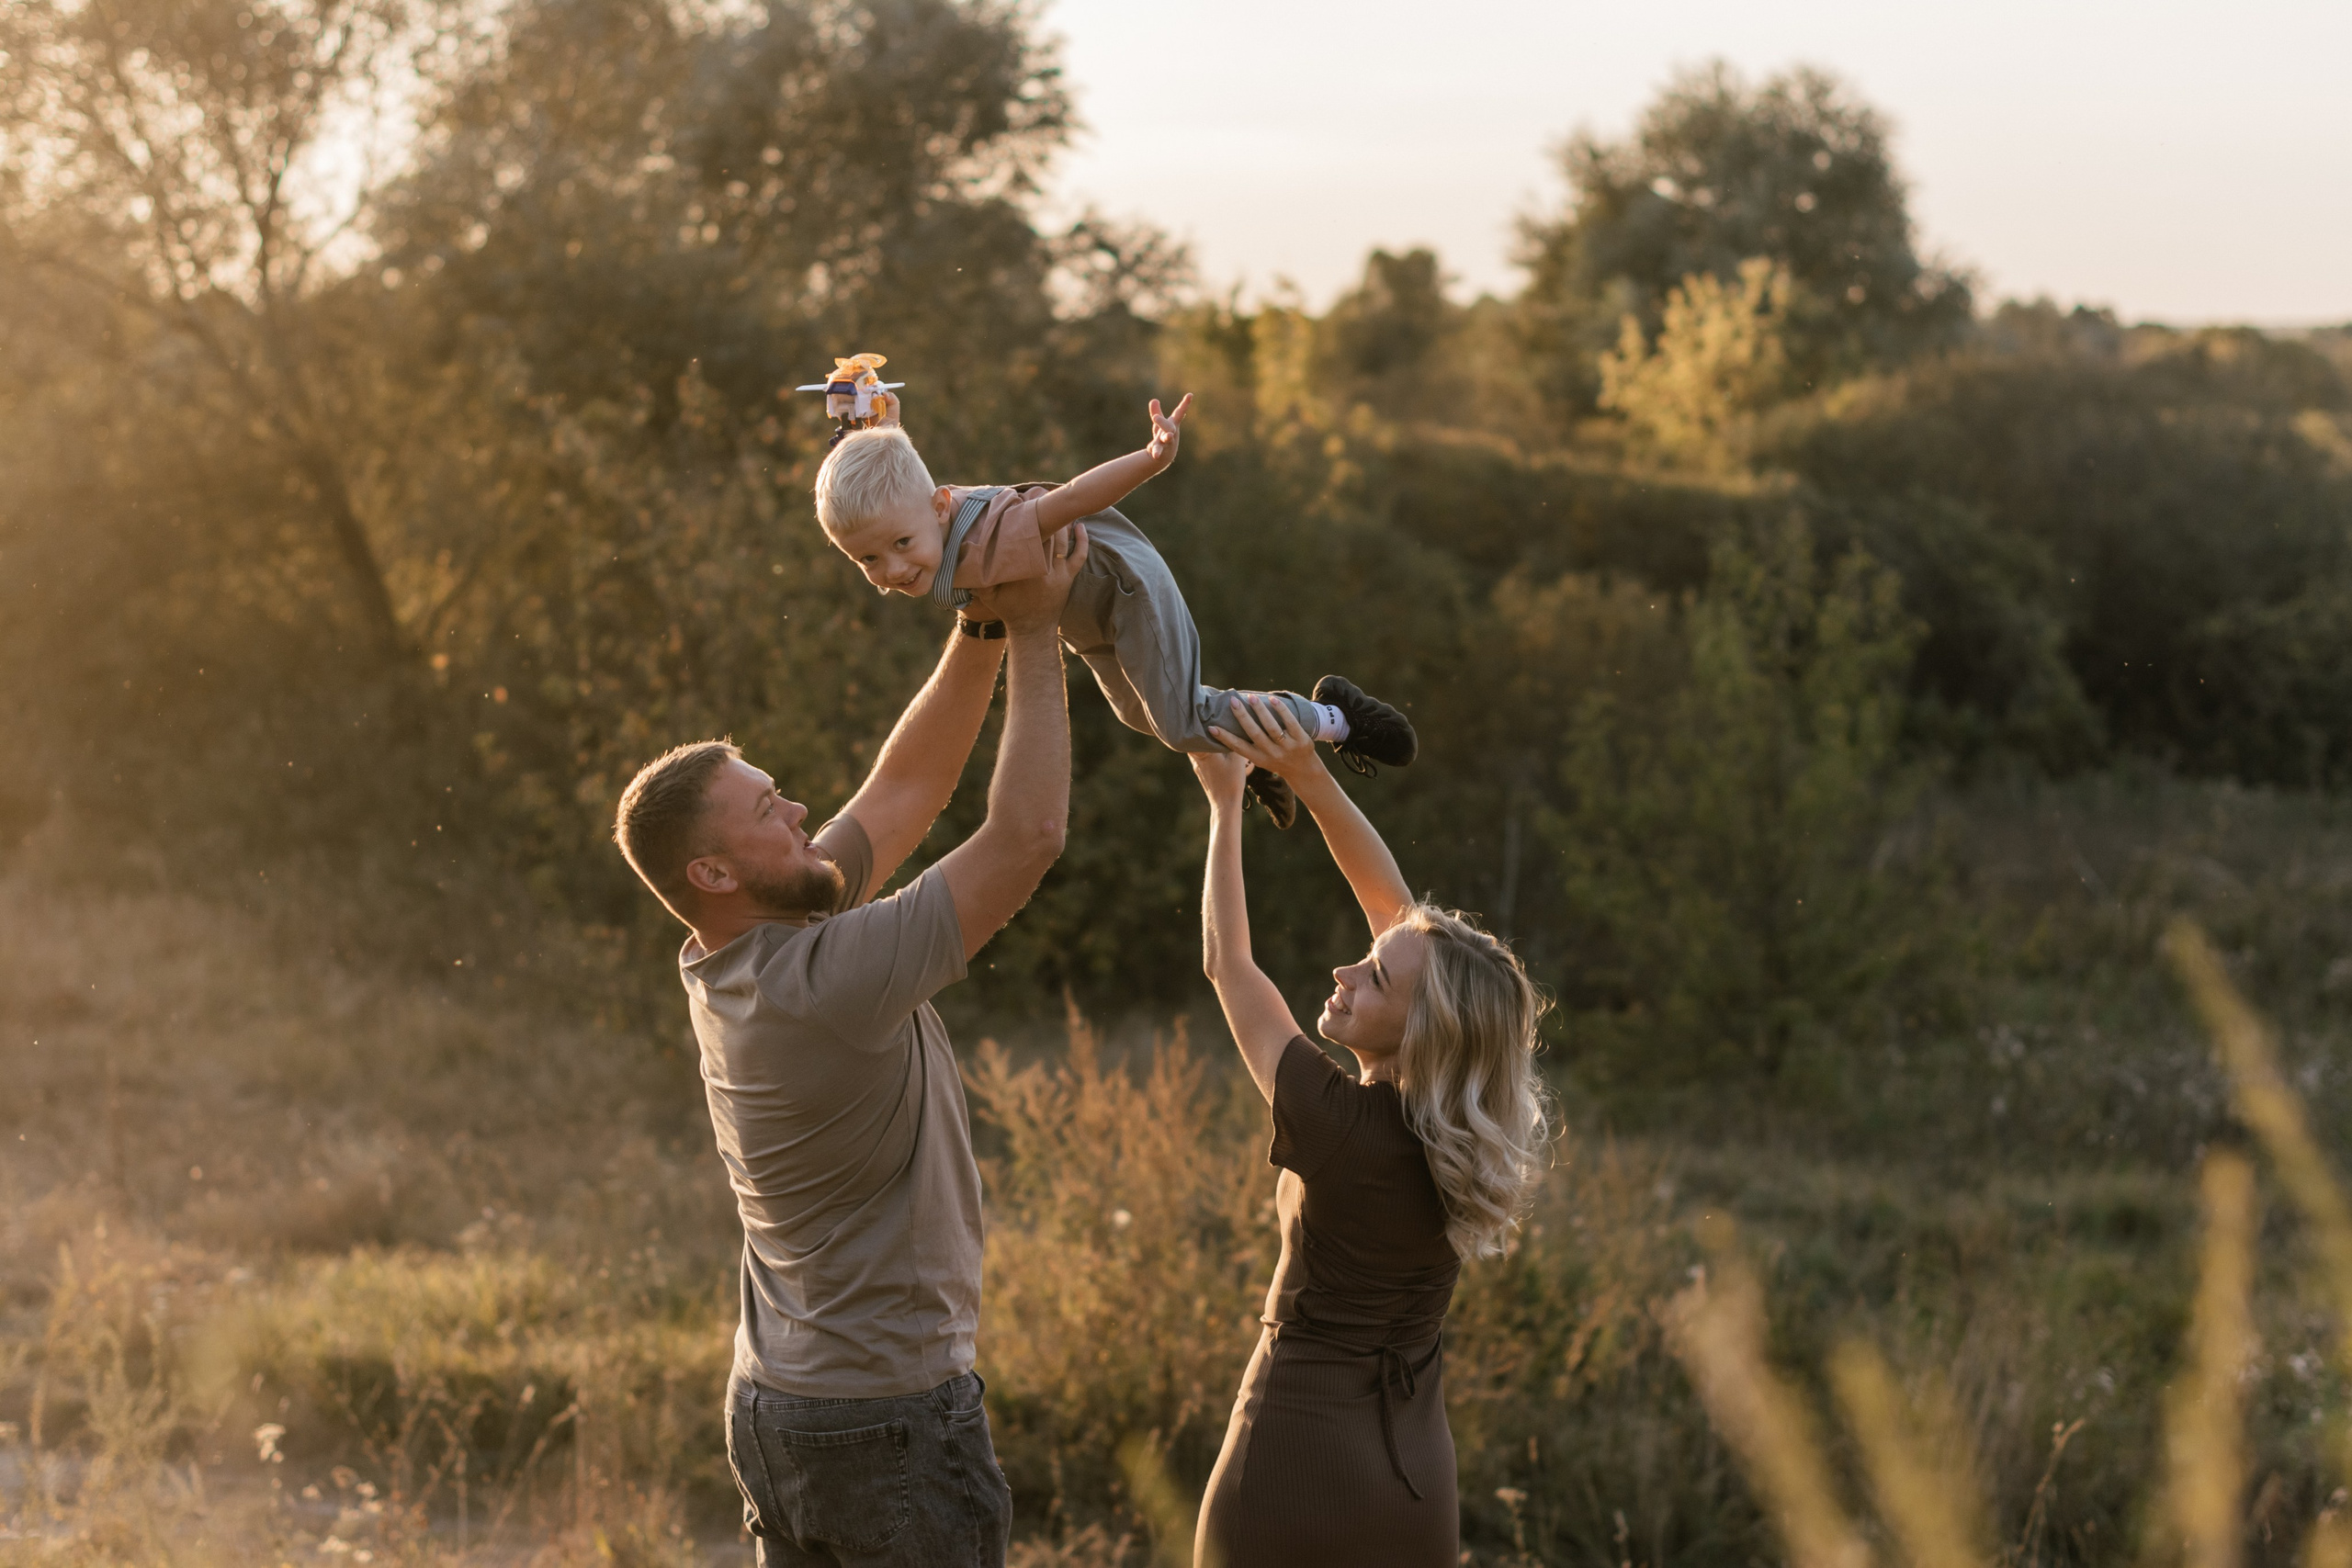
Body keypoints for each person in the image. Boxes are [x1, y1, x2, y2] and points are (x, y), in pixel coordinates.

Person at [609, 528, 1091, 1567]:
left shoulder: (742, 954)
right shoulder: (828, 983)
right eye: (766, 812)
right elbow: (1027, 837)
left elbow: (905, 789)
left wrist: (982, 620)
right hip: (890, 1421)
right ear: (714, 874)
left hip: (778, 1409)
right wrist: (1043, 631)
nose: (797, 811)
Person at [1186, 695, 1555, 1568]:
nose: (1348, 969)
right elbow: (1401, 925)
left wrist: (1225, 802)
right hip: (1415, 1482)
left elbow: (1226, 963)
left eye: (1374, 979)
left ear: (1421, 1031)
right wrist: (1308, 775)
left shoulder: (1338, 1126)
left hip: (1291, 1467)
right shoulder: (1467, 1137)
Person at [809, 393, 1417, 828]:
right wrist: (867, 420)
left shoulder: (996, 531)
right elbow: (887, 465)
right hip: (1086, 620)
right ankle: (1244, 745)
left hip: (1125, 587)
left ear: (942, 506)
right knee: (1138, 713)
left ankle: (1335, 715)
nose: (891, 570)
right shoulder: (920, 514)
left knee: (1181, 722)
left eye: (900, 546)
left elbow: (1072, 497)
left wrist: (1151, 457)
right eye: (866, 559)